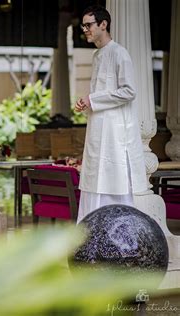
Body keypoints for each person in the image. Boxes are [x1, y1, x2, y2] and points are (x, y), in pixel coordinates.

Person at [75, 5, 147, 222]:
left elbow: (129, 91)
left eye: (89, 25)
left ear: (103, 24)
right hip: (97, 129)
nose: (85, 29)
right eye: (84, 25)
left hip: (115, 134)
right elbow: (102, 93)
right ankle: (88, 237)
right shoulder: (97, 55)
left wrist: (93, 99)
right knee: (93, 179)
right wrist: (87, 102)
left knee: (114, 180)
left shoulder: (119, 53)